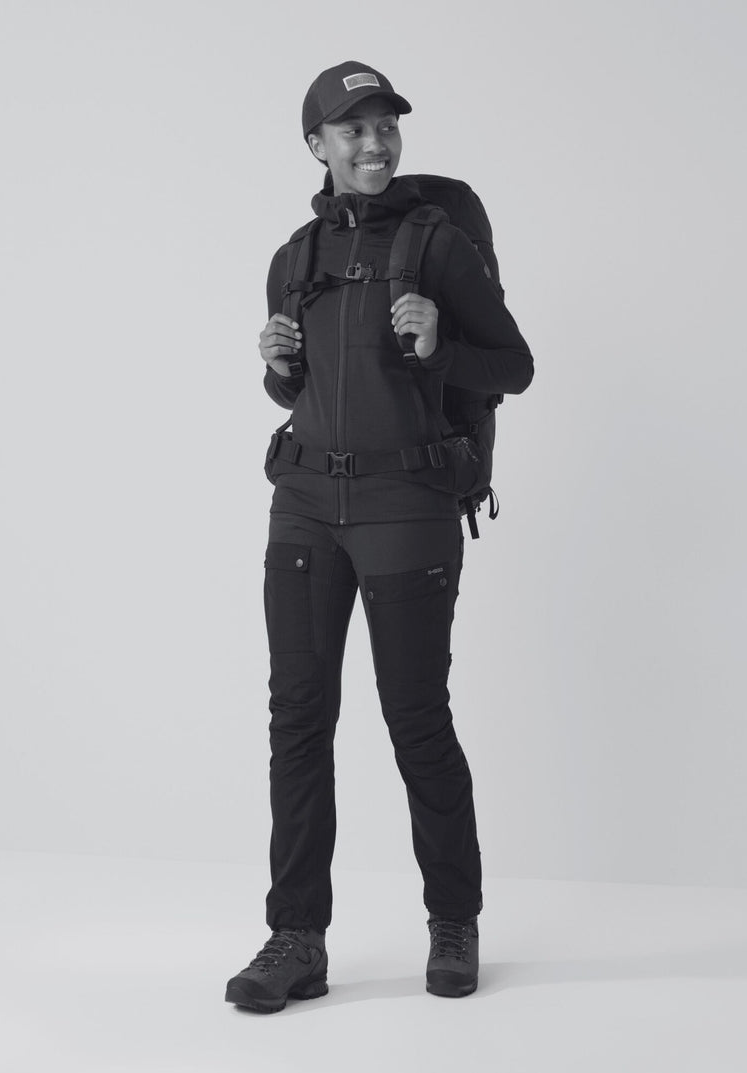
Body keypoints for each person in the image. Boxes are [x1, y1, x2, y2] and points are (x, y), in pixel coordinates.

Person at [225, 60, 534, 1014]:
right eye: (353, 129)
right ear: (316, 145)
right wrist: (276, 366)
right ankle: (296, 937)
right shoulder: (293, 257)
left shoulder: (436, 244)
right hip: (304, 506)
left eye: (385, 125)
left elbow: (515, 366)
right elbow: (302, 386)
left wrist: (442, 339)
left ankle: (453, 920)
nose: (375, 143)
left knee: (416, 719)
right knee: (297, 720)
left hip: (408, 508)